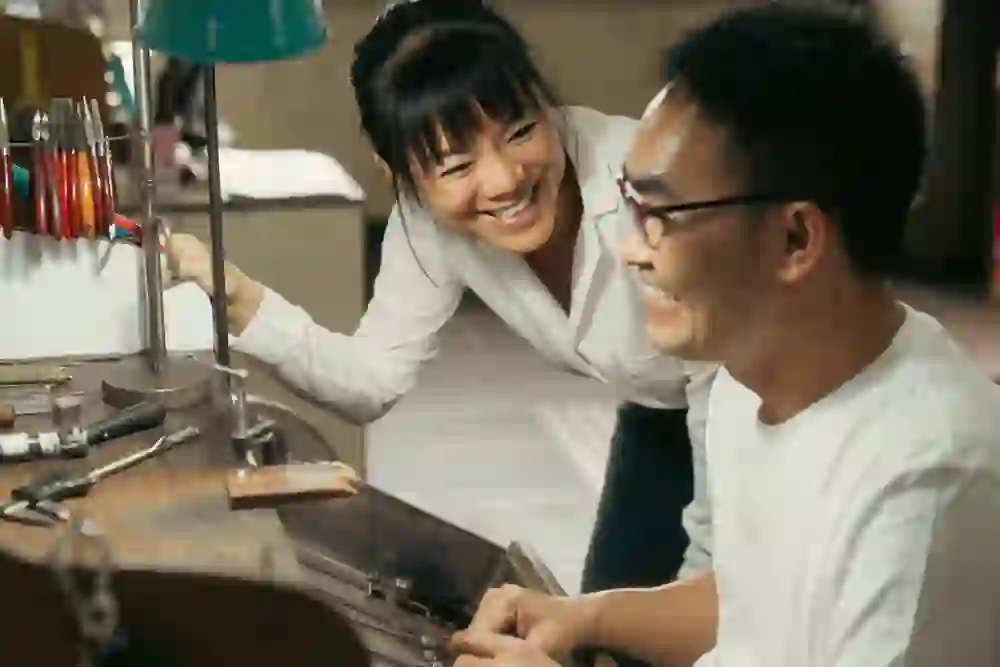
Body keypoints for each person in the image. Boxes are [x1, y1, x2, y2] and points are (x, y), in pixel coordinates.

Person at [451, 3, 1000, 666]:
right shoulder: (750, 374)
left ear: (795, 238)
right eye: (631, 202)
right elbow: (745, 603)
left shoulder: (925, 479)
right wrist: (585, 615)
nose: (631, 249)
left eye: (661, 213)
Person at [163, 0, 715, 634]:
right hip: (655, 414)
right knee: (607, 639)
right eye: (456, 166)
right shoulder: (427, 224)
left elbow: (725, 400)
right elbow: (371, 381)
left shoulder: (645, 189)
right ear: (397, 170)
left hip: (759, 399)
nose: (505, 180)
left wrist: (702, 599)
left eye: (520, 131)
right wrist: (234, 295)